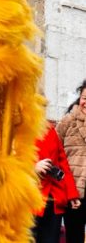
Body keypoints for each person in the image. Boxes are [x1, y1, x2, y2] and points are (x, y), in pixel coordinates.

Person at [33, 122, 80, 243]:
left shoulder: (50, 129)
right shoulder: (15, 129)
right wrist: (31, 169)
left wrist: (72, 194)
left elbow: (62, 163)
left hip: (53, 199)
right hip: (29, 199)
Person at [56, 80, 86, 243]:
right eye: (83, 97)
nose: (85, 102)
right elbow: (54, 154)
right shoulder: (68, 121)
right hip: (73, 193)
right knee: (74, 237)